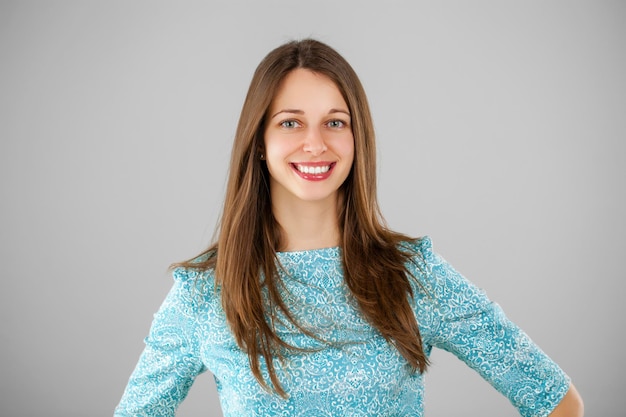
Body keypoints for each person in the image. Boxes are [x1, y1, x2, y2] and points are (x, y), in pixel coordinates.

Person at [114, 39, 583, 416]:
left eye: (334, 122)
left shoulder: (410, 275)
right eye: (291, 123)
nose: (314, 144)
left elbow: (558, 402)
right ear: (259, 141)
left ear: (358, 139)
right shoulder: (205, 291)